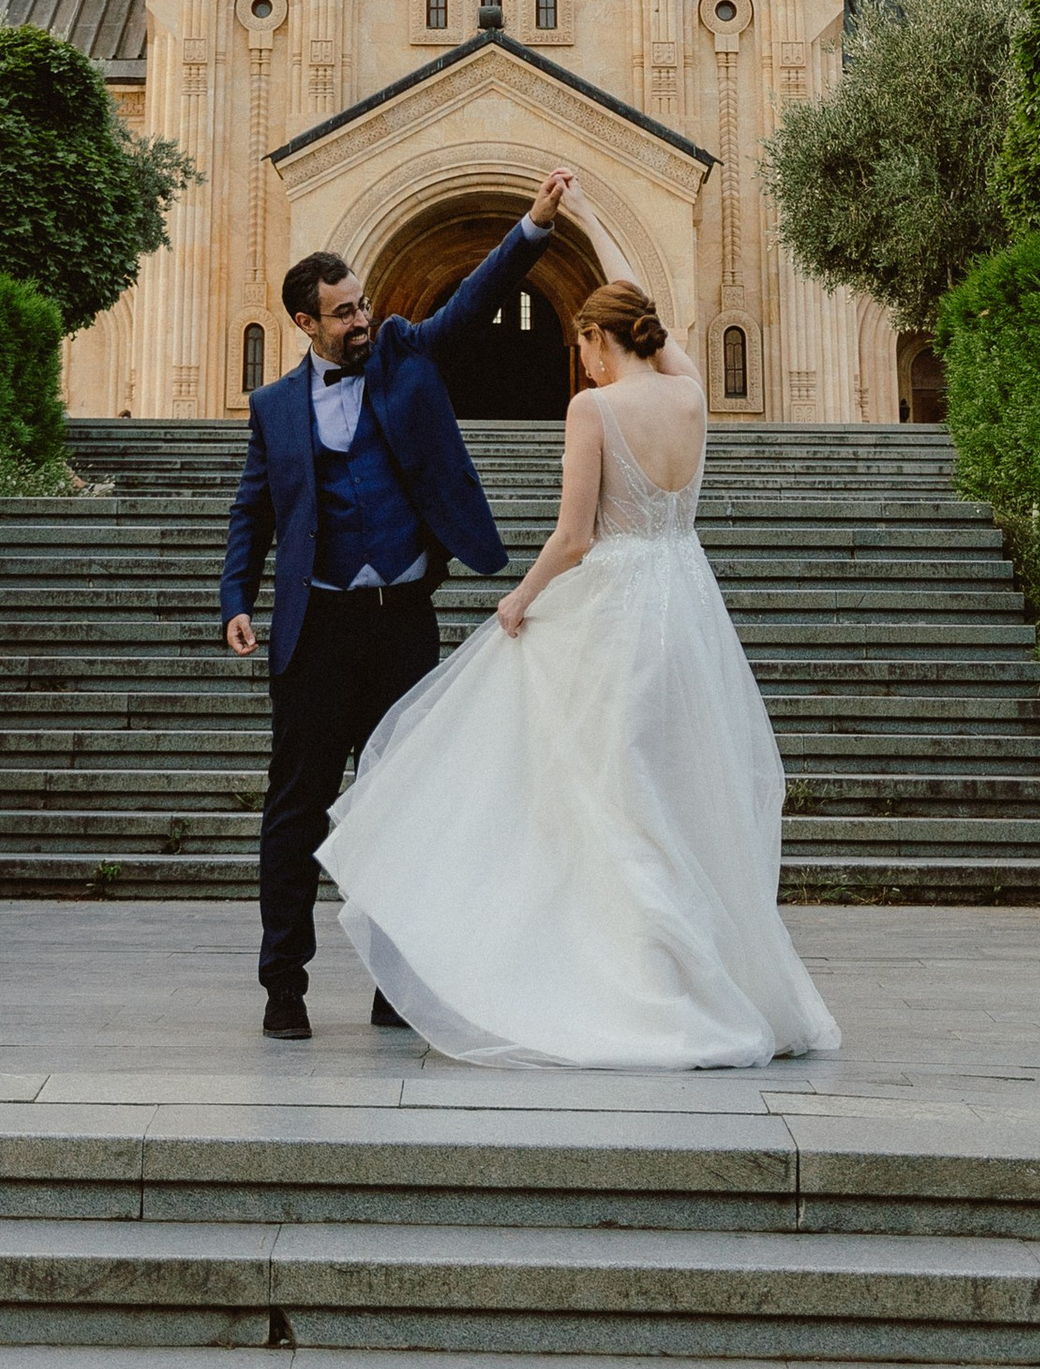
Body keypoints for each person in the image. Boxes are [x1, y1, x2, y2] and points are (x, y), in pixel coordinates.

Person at [319, 278, 840, 1069]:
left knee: (614, 791)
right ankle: (694, 973)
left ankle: (648, 989)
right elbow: (661, 340)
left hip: (618, 611)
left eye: (583, 345)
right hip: (687, 605)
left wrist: (519, 599)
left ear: (598, 338)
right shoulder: (691, 397)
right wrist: (597, 227)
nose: (581, 361)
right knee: (669, 791)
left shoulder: (593, 409)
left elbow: (573, 538)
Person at [221, 168, 577, 1041]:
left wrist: (532, 227)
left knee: (406, 811)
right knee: (296, 812)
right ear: (305, 323)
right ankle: (283, 986)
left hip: (401, 625)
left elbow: (473, 302)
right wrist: (236, 596)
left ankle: (397, 988)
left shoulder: (405, 352)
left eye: (363, 305)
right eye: (342, 312)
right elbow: (253, 509)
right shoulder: (274, 407)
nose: (360, 320)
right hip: (315, 629)